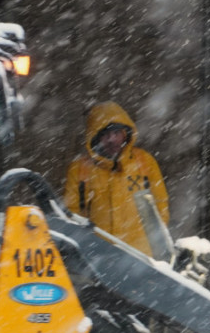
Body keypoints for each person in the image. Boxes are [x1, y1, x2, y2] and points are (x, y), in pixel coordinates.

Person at [64, 101, 169, 256]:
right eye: (105, 135)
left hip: (141, 258)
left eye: (116, 133)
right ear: (95, 137)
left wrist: (156, 244)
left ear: (125, 134)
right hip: (98, 258)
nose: (112, 140)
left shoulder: (144, 162)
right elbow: (72, 213)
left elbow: (161, 205)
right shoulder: (80, 169)